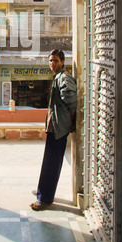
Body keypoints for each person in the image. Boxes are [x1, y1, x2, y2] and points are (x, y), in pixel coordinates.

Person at [30, 49, 77, 211]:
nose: (52, 64)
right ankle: (42, 191)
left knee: (52, 163)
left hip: (59, 127)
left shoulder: (64, 77)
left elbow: (70, 99)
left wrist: (71, 120)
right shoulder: (58, 77)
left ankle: (45, 199)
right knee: (48, 161)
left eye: (56, 61)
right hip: (53, 126)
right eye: (50, 61)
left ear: (63, 62)